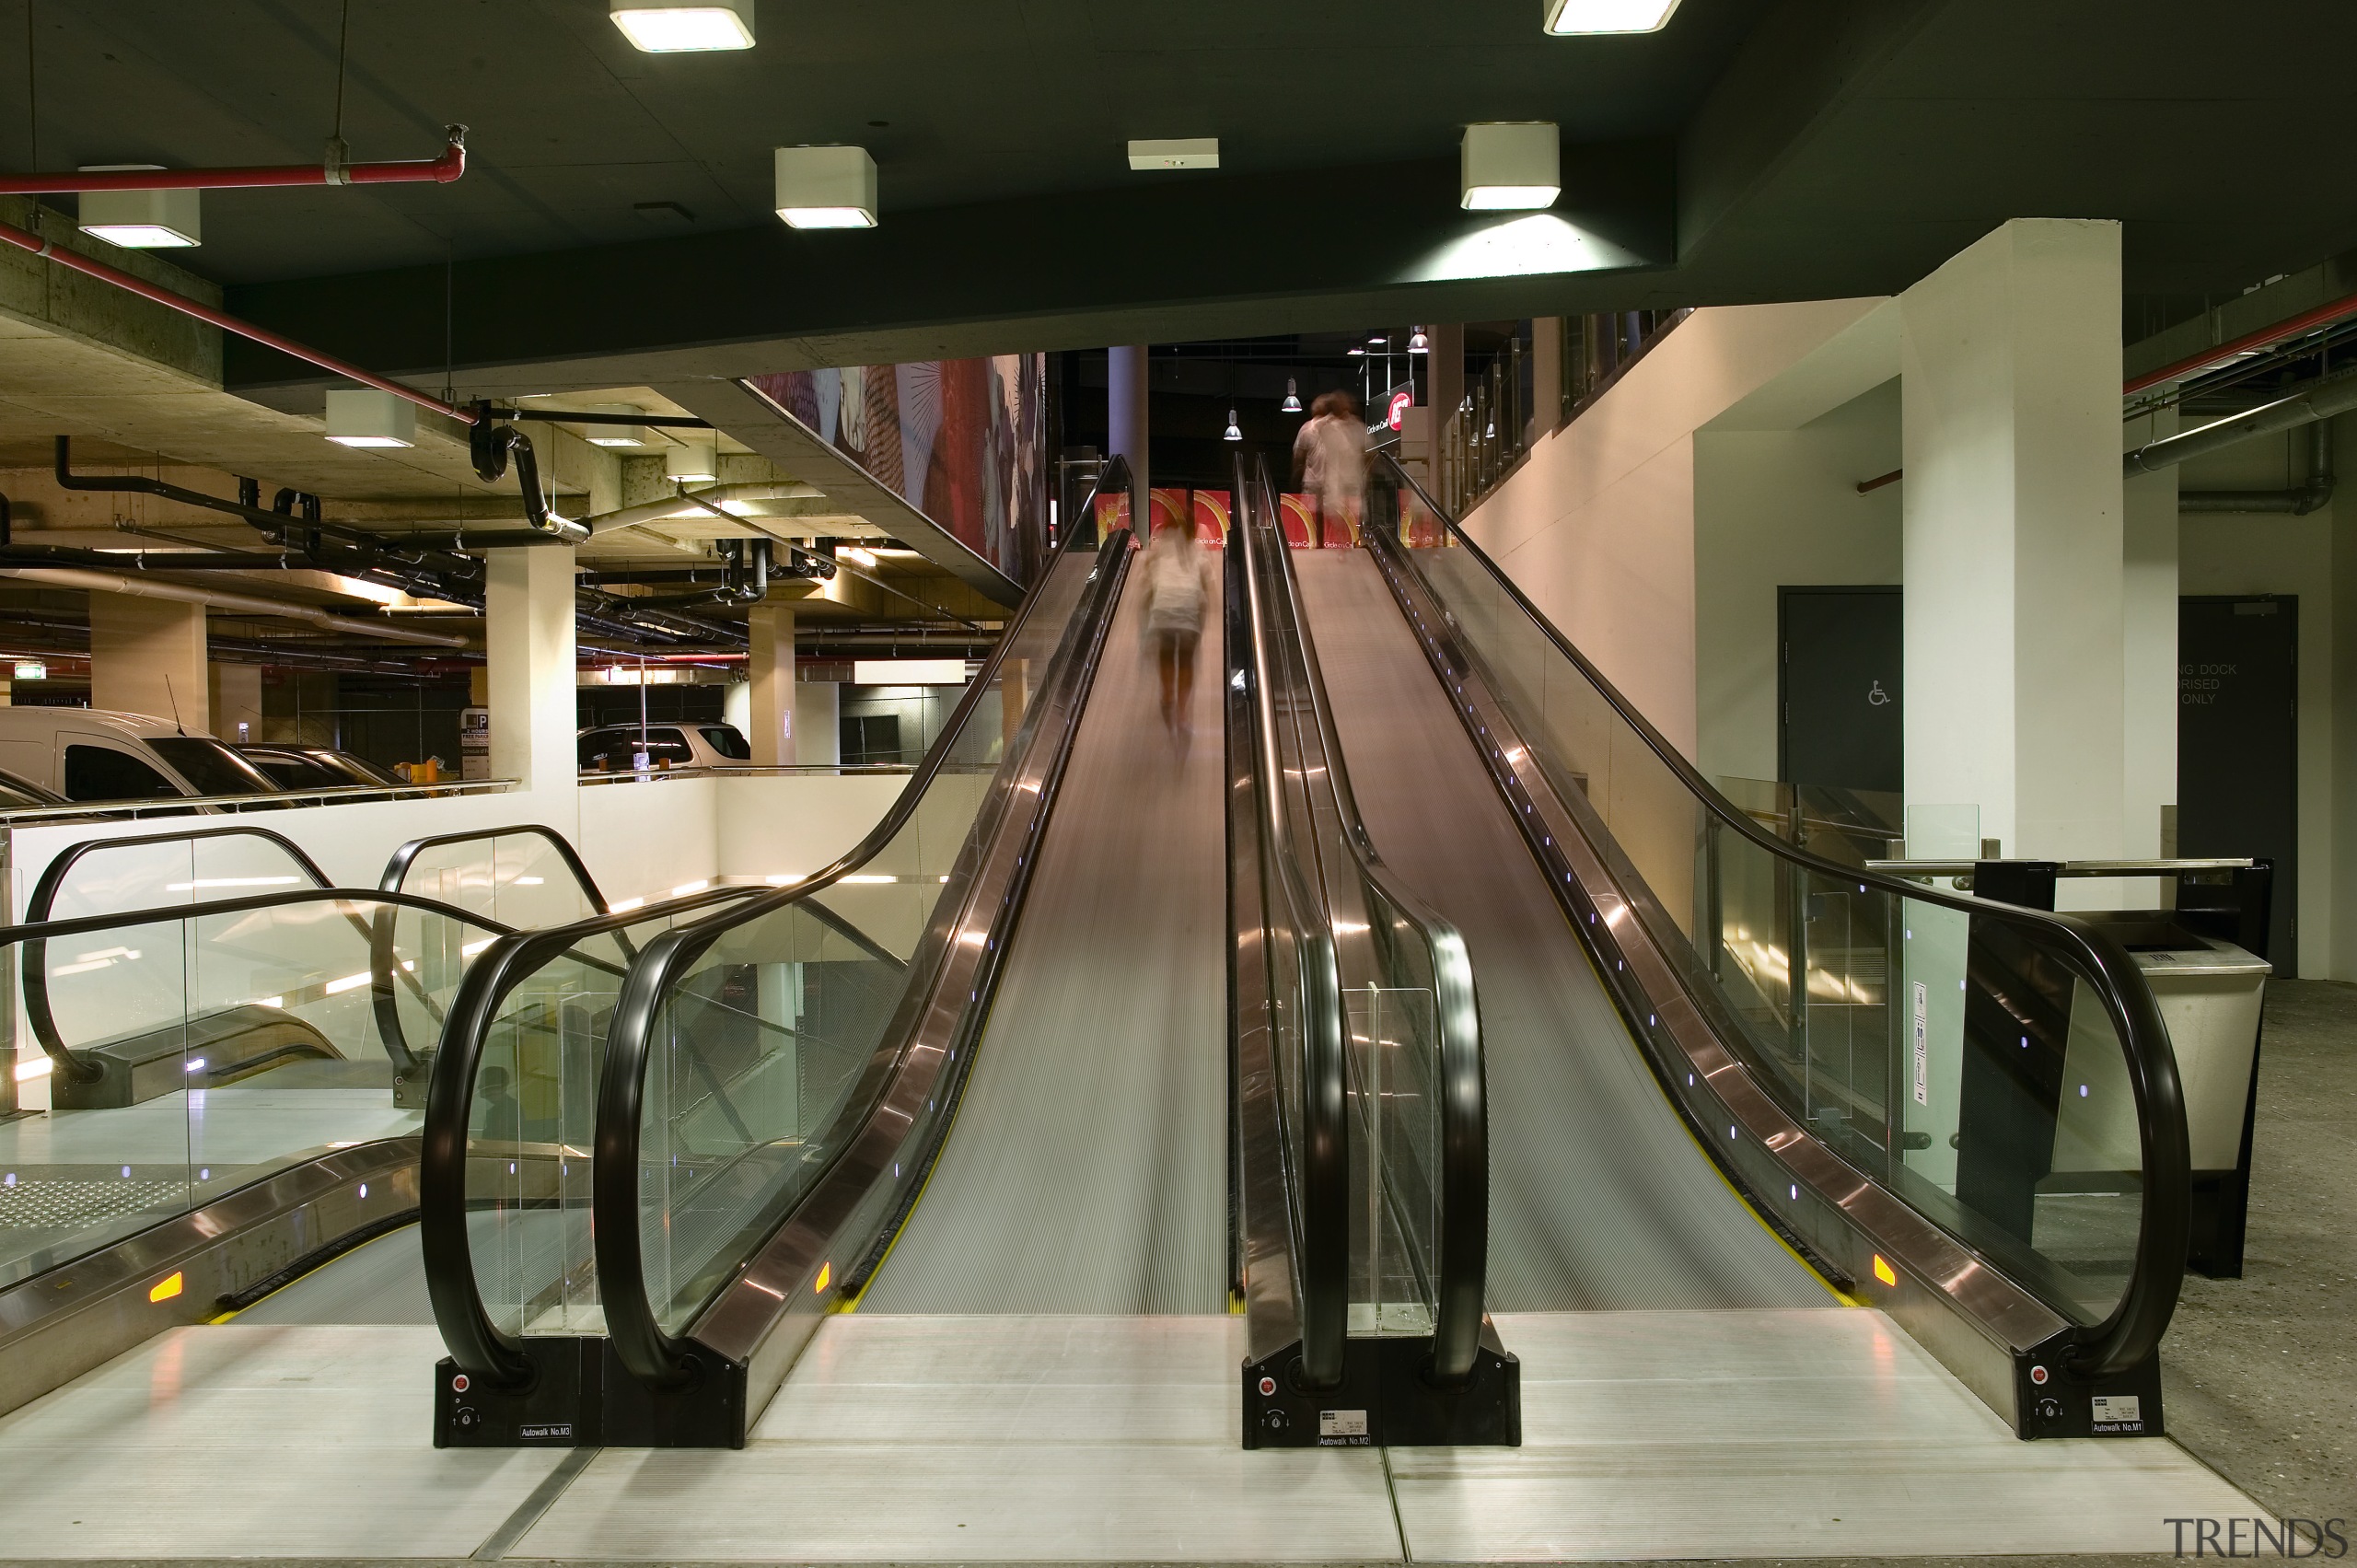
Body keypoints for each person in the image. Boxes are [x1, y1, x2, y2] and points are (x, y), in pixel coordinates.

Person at [1138, 517, 1212, 736]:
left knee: (1167, 654)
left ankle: (1168, 694)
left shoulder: (1160, 553)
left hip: (1164, 614)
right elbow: (1206, 586)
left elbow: (1147, 584)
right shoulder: (1198, 551)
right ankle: (1182, 715)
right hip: (1188, 614)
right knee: (1187, 662)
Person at [1293, 389, 1369, 546]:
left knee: (1341, 521)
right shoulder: (1316, 427)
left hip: (1337, 485)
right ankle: (1319, 545)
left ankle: (1336, 545)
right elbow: (1299, 456)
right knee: (1318, 520)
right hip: (1320, 484)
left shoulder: (1346, 427)